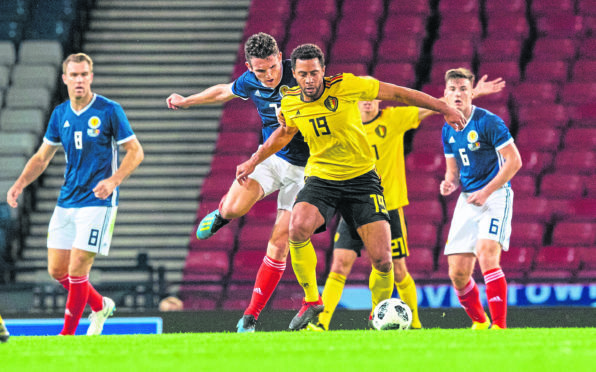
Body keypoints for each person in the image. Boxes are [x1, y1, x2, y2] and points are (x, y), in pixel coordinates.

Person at [236, 44, 466, 330]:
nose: (310, 80)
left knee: (383, 261)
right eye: (304, 74)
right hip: (322, 178)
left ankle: (376, 317)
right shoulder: (290, 102)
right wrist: (254, 160)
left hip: (361, 179)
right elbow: (284, 133)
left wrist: (442, 106)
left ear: (323, 71)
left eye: (315, 73)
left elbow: (396, 93)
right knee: (296, 228)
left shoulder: (346, 85)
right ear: (294, 73)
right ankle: (311, 300)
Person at [310, 75, 506, 331]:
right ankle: (321, 324)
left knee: (397, 269)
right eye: (362, 98)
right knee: (339, 265)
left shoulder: (393, 119)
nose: (368, 102)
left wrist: (473, 94)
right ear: (354, 101)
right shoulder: (345, 124)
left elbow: (433, 105)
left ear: (380, 100)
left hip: (387, 208)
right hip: (353, 206)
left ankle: (414, 323)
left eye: (373, 97)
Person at [166, 33, 309, 333]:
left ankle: (250, 315)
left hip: (306, 169)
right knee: (232, 209)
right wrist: (188, 100)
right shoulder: (250, 80)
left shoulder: (301, 77)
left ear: (280, 56)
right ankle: (221, 216)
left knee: (280, 242)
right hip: (270, 159)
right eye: (261, 71)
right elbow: (223, 91)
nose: (269, 76)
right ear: (249, 67)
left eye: (273, 67)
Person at [6, 53, 144, 336]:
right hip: (67, 200)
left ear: (91, 77)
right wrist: (19, 183)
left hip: (98, 200)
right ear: (65, 79)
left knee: (79, 268)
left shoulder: (109, 110)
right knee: (58, 271)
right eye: (74, 75)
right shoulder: (60, 114)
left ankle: (66, 337)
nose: (79, 80)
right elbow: (42, 157)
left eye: (84, 74)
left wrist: (114, 180)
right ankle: (100, 304)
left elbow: (136, 151)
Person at [439, 68, 521, 330]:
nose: (457, 93)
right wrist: (449, 182)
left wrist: (487, 191)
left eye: (463, 88)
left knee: (487, 256)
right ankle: (479, 323)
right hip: (468, 199)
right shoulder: (447, 129)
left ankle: (499, 326)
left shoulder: (489, 122)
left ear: (471, 92)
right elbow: (453, 170)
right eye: (452, 89)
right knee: (457, 273)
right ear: (445, 94)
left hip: (495, 196)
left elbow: (514, 161)